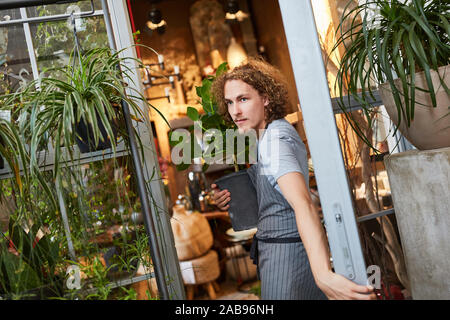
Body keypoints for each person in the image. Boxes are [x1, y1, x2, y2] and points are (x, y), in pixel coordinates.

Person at [210, 58, 376, 300]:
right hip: (280, 251)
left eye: (243, 99)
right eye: (230, 102)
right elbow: (277, 195)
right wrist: (231, 198)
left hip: (287, 257)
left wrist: (323, 274)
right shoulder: (267, 135)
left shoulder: (274, 141)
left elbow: (303, 204)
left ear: (265, 98)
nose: (235, 111)